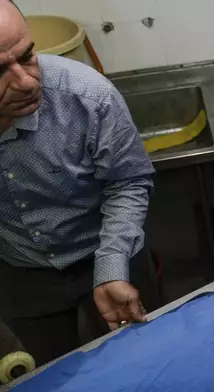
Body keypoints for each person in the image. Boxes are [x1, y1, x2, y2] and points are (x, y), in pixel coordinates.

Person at [0, 1, 158, 365]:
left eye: (27, 55)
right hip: (21, 278)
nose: (25, 81)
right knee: (46, 373)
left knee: (143, 362)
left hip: (106, 252)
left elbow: (129, 182)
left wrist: (113, 264)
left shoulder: (87, 96)